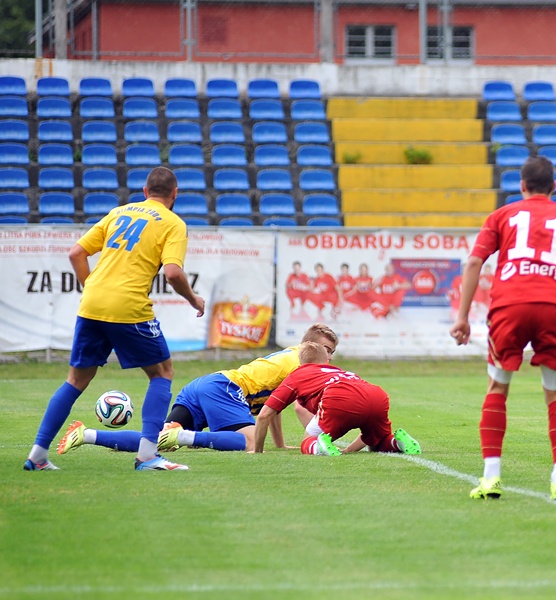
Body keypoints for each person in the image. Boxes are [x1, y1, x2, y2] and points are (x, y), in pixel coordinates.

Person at [449, 155, 556, 501]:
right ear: (554, 187)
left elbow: (473, 262)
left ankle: (491, 478)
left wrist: (463, 317)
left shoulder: (502, 215)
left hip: (509, 305)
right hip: (554, 308)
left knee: (497, 387)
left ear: (521, 186)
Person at [24, 166, 206, 472]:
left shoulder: (118, 212)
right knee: (162, 373)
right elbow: (173, 273)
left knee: (76, 380)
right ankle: (147, 456)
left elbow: (76, 254)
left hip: (92, 302)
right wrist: (193, 299)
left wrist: (93, 288)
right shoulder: (174, 223)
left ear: (145, 192)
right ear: (175, 195)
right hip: (128, 305)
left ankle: (38, 454)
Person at [57, 324, 339, 455]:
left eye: (332, 352)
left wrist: (279, 444)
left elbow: (273, 407)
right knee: (251, 443)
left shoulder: (289, 358)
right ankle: (183, 436)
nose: (329, 357)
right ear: (309, 344)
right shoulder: (300, 363)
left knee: (153, 441)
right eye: (326, 350)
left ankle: (87, 434)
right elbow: (301, 407)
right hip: (225, 388)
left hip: (204, 385)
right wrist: (321, 440)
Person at [252, 341, 421, 456]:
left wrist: (257, 451)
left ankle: (319, 447)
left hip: (337, 396)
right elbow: (365, 432)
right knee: (378, 442)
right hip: (376, 394)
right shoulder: (340, 371)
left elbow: (264, 414)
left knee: (308, 441)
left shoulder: (297, 374)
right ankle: (398, 443)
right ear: (326, 360)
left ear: (300, 361)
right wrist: (347, 451)